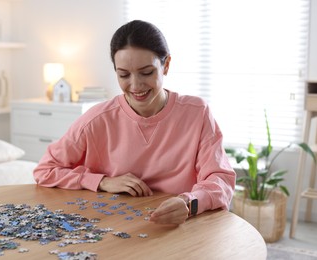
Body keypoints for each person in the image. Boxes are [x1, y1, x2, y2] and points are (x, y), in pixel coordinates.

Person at [33, 20, 236, 225]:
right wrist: (102, 181)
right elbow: (45, 170)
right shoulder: (96, 120)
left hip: (180, 228)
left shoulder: (197, 113)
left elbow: (221, 180)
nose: (136, 85)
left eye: (146, 72)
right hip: (114, 228)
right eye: (124, 75)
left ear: (166, 65)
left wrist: (188, 203)